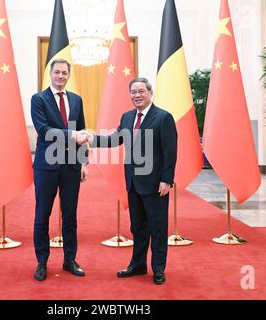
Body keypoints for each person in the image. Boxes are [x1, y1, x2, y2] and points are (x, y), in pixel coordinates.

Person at [84, 77, 177, 284]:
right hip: (133, 183)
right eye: (133, 92)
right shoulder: (127, 117)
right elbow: (115, 139)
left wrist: (166, 180)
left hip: (155, 184)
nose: (137, 95)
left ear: (150, 93)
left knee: (158, 228)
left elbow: (170, 152)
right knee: (138, 228)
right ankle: (138, 265)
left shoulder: (163, 117)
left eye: (141, 91)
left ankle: (158, 269)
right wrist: (91, 138)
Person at [31, 58, 89, 281]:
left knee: (70, 216)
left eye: (64, 73)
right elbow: (43, 130)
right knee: (42, 215)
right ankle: (42, 263)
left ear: (69, 75)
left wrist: (83, 162)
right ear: (50, 73)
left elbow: (82, 131)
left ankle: (69, 260)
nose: (60, 76)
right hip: (46, 166)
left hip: (71, 166)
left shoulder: (76, 100)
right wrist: (70, 135)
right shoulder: (39, 99)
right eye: (57, 72)